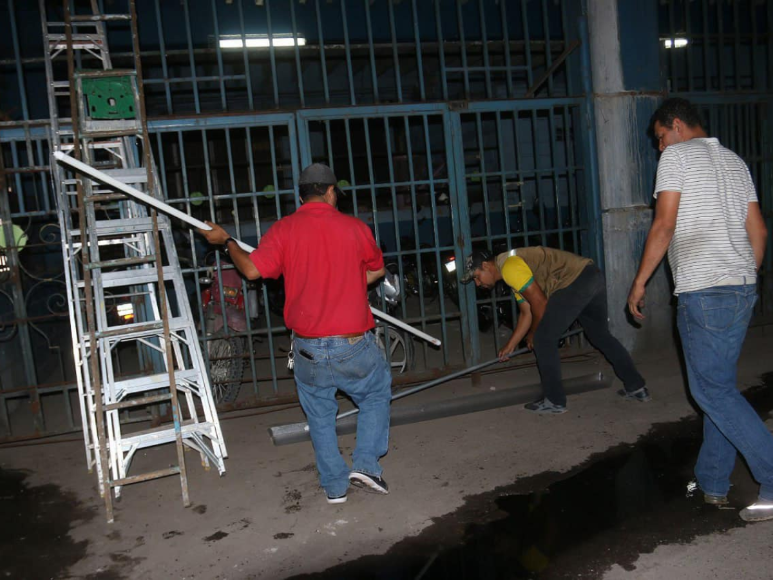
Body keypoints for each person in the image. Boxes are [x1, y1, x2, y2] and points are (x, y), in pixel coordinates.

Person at [199, 163, 392, 505]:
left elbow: (252, 270)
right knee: (375, 394)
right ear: (331, 192)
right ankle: (366, 465)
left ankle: (335, 488)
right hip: (352, 343)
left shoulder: (284, 229)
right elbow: (377, 269)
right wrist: (347, 285)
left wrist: (227, 240)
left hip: (307, 349)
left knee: (319, 413)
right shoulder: (355, 228)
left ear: (300, 195)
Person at [627, 97, 772, 522]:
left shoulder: (676, 158)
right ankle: (712, 481)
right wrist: (745, 273)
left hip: (705, 290)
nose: (659, 147)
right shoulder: (734, 161)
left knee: (711, 390)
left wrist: (638, 283)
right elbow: (758, 229)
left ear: (675, 125)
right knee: (719, 386)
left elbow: (665, 224)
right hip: (743, 286)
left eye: (659, 137)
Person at [461, 246, 648, 414]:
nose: (477, 283)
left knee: (543, 339)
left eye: (476, 277)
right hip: (591, 276)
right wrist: (511, 344)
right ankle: (636, 387)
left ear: (486, 266)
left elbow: (540, 304)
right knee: (600, 335)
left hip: (574, 282)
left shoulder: (510, 267)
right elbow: (527, 311)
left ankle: (554, 401)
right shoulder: (511, 269)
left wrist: (534, 334)